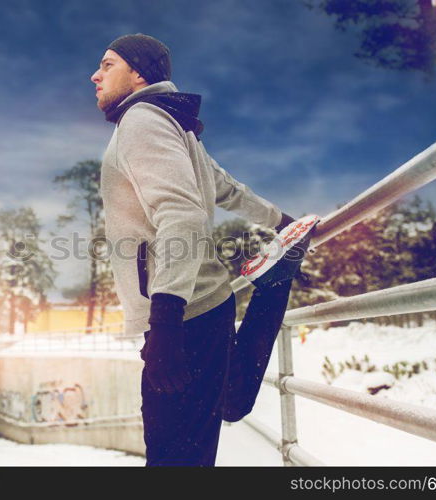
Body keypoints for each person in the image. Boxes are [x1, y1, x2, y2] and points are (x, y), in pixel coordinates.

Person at [91, 33, 293, 466]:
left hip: (180, 314)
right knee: (223, 404)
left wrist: (164, 321)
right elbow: (225, 187)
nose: (96, 75)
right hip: (207, 303)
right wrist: (280, 221)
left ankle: (275, 284)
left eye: (108, 65)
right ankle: (274, 285)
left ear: (139, 73)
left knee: (173, 456)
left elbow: (181, 214)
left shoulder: (142, 122)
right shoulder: (171, 123)